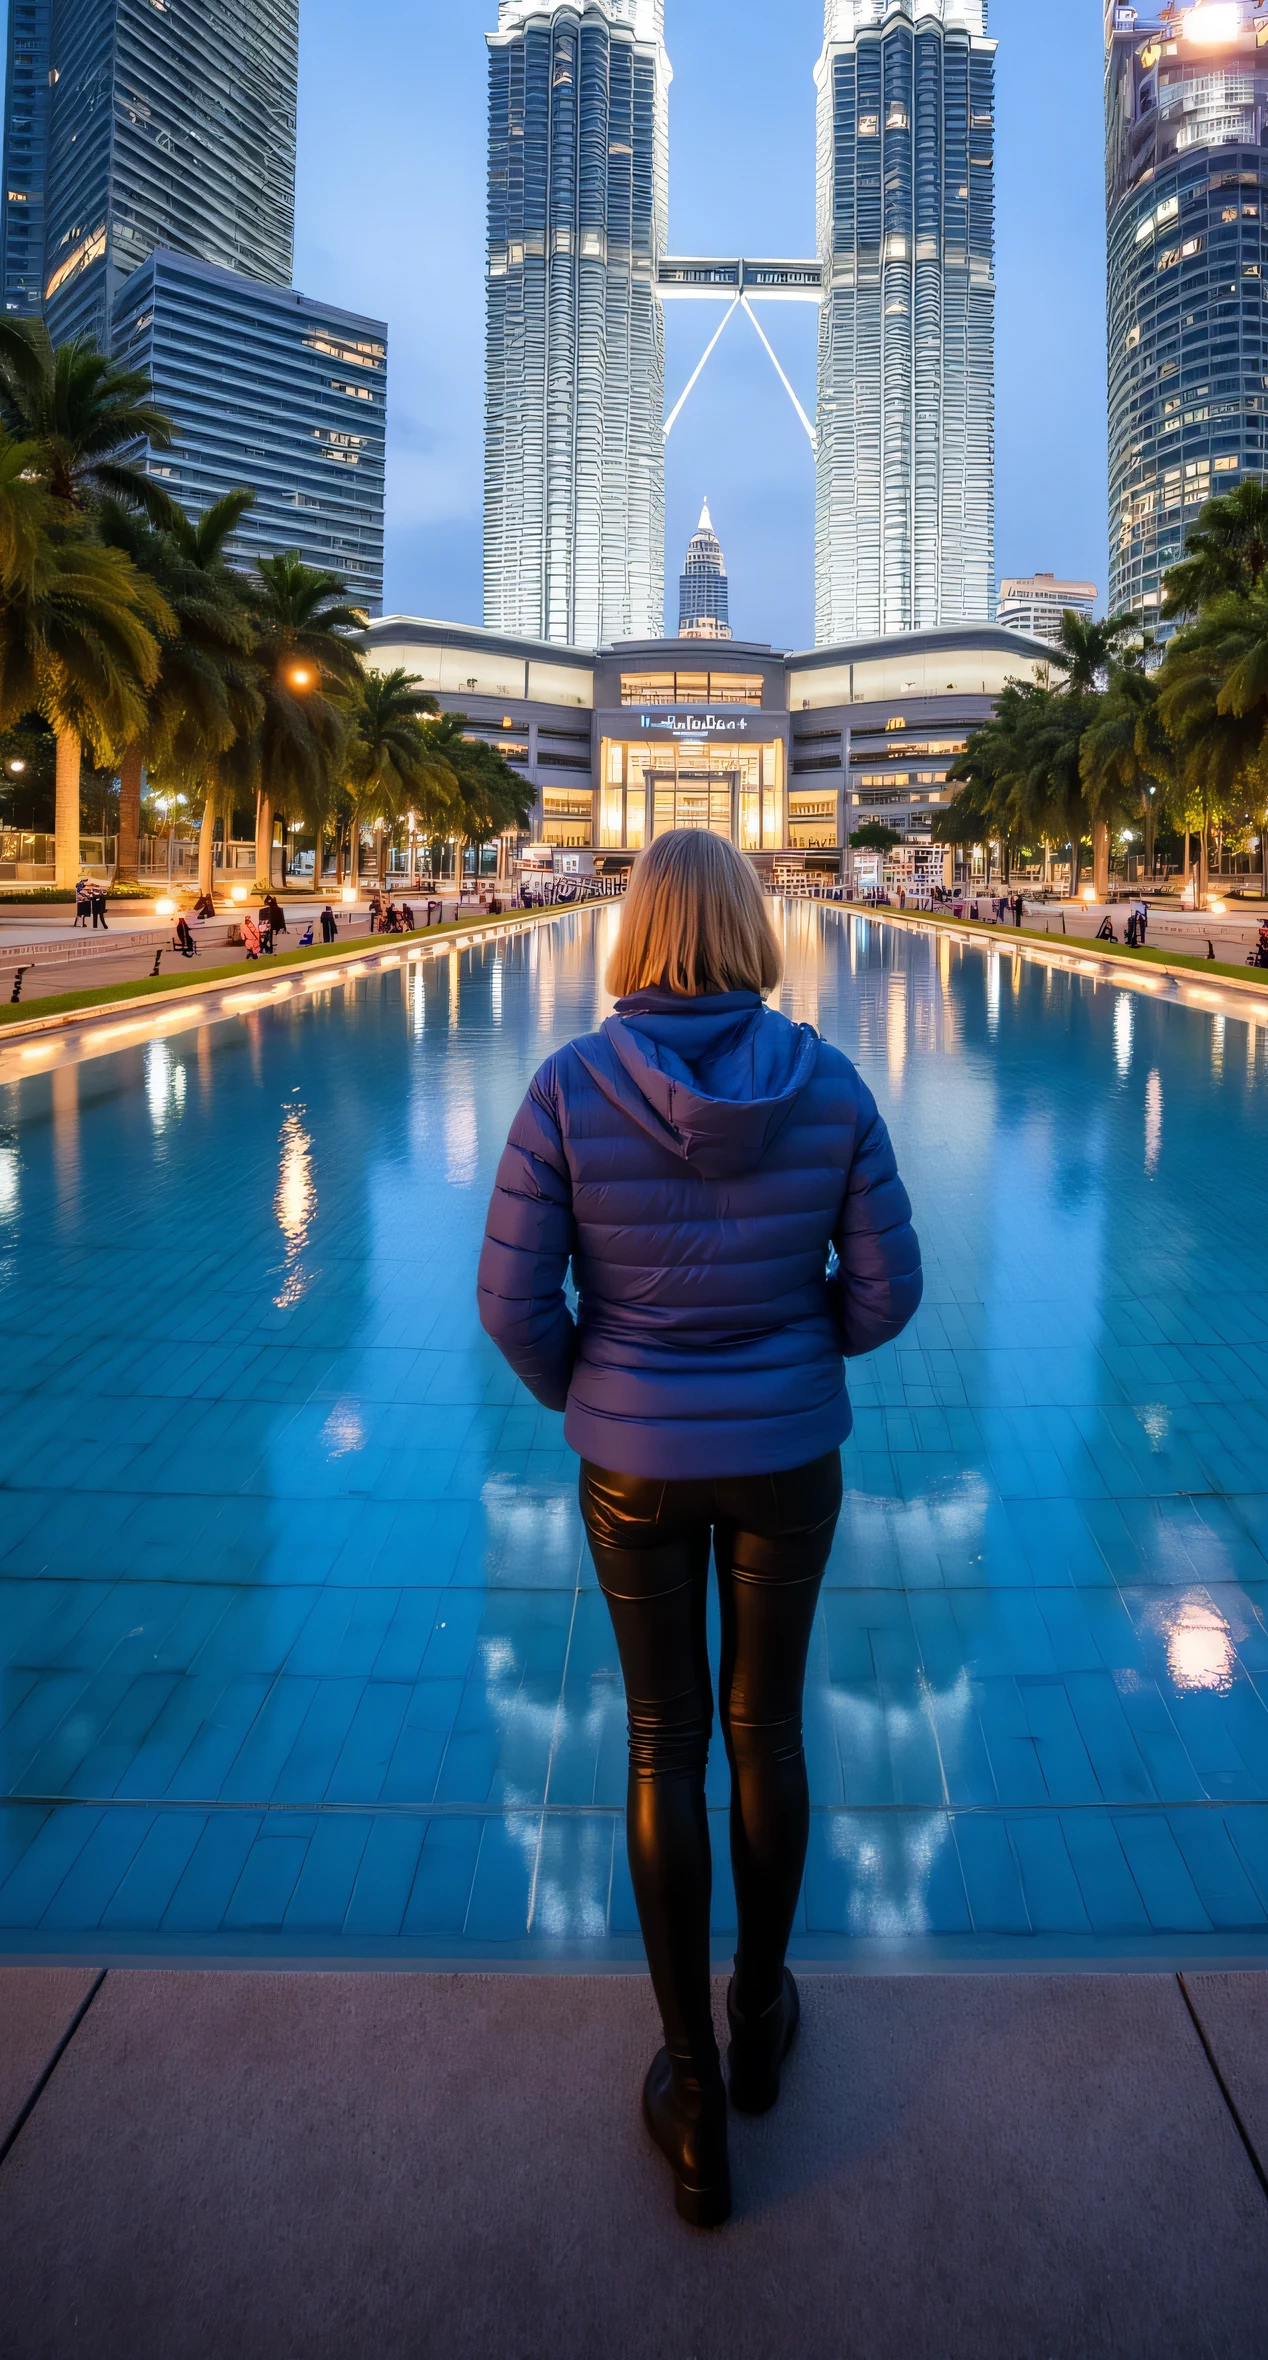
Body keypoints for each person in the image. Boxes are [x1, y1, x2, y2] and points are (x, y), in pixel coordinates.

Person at [477, 831, 922, 2229]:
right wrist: (807, 1349)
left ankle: (688, 2094)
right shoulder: (830, 1079)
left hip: (633, 1464)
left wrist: (598, 1393)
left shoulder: (566, 1086)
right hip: (790, 1452)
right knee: (767, 1733)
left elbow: (511, 1304)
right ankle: (758, 2021)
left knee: (662, 1737)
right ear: (750, 927)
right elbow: (890, 1290)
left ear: (632, 931)